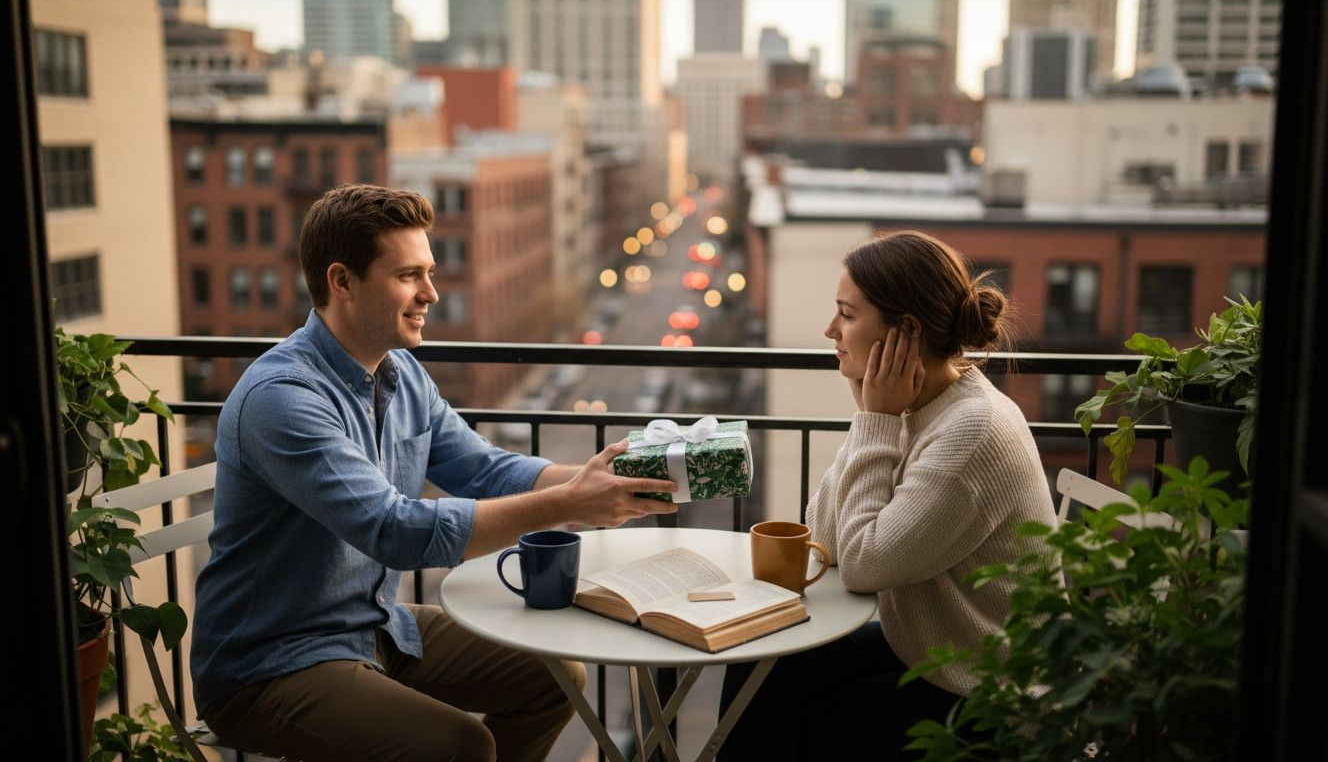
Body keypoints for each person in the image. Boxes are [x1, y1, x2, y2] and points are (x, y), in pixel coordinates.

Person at [190, 184, 678, 762]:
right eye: (407, 275)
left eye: (429, 272)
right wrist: (570, 503)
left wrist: (605, 480)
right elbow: (393, 530)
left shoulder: (402, 375)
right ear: (341, 281)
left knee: (556, 677)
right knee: (461, 746)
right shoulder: (283, 398)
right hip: (268, 663)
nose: (431, 293)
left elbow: (485, 469)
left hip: (372, 624)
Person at [717, 230, 1057, 760]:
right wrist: (870, 417)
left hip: (992, 693)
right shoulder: (916, 405)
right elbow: (825, 533)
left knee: (814, 718)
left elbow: (861, 565)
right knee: (758, 661)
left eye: (847, 315)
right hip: (932, 651)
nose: (830, 329)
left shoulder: (972, 430)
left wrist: (874, 420)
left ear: (906, 332)